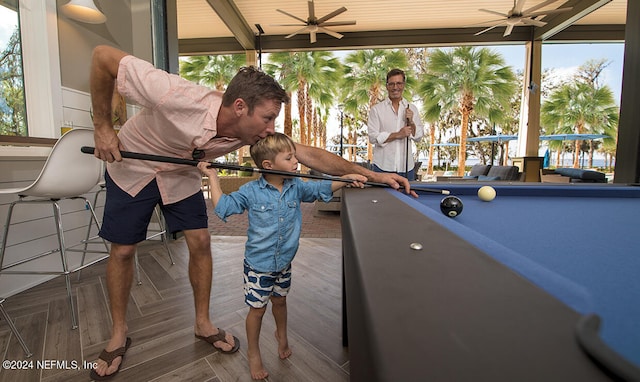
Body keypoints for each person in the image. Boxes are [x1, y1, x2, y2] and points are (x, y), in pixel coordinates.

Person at [88, 44, 413, 380]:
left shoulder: (252, 133)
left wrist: (373, 175)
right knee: (124, 250)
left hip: (182, 170)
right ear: (240, 107)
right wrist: (102, 127)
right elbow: (102, 57)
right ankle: (117, 334)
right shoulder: (174, 93)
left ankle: (203, 323)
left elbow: (307, 154)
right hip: (133, 162)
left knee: (200, 241)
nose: (272, 128)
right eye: (268, 117)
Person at [198, 133, 365, 379]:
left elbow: (319, 189)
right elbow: (223, 207)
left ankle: (281, 335)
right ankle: (254, 353)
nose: (296, 161)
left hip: (284, 263)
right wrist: (212, 176)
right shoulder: (251, 191)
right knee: (257, 310)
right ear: (268, 165)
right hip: (258, 266)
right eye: (289, 158)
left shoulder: (295, 186)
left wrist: (345, 179)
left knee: (280, 301)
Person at [367, 68, 425, 181]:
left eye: (398, 83)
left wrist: (411, 122)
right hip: (382, 167)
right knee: (383, 199)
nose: (395, 87)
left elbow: (418, 136)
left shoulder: (412, 108)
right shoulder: (376, 110)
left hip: (407, 168)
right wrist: (398, 134)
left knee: (407, 198)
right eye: (392, 84)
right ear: (387, 86)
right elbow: (372, 137)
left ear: (403, 85)